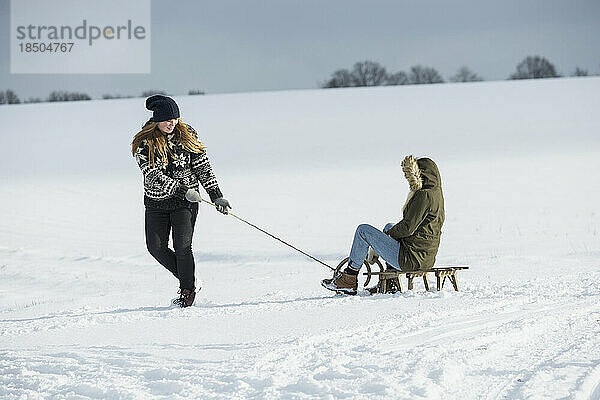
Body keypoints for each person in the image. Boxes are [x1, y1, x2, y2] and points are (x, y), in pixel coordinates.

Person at [131, 95, 232, 307]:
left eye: (175, 119)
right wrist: (182, 190)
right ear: (157, 120)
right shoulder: (144, 143)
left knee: (182, 246)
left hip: (186, 204)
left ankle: (187, 290)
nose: (172, 123)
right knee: (155, 247)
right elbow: (152, 174)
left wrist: (216, 195)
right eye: (167, 119)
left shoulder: (187, 136)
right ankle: (191, 279)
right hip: (157, 203)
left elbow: (203, 167)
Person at [322, 155, 445, 295]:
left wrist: (383, 238)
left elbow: (407, 228)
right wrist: (386, 235)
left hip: (411, 259)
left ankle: (349, 279)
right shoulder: (436, 194)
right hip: (424, 257)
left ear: (422, 174)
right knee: (389, 226)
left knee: (363, 231)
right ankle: (390, 282)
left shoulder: (424, 195)